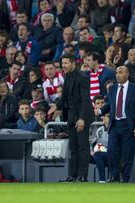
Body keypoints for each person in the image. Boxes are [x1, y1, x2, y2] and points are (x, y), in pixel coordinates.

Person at [96, 65, 135, 183]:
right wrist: (100, 111)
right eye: (117, 72)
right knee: (112, 151)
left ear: (127, 74)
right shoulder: (112, 88)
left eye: (121, 72)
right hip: (115, 125)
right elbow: (110, 104)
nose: (117, 74)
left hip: (128, 125)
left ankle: (125, 179)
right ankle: (114, 176)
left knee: (128, 154)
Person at [59, 53, 94, 182]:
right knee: (73, 148)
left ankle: (82, 176)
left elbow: (85, 100)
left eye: (66, 63)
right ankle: (72, 175)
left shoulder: (82, 77)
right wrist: (57, 106)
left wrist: (82, 119)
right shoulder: (66, 76)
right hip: (71, 116)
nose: (64, 66)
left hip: (82, 116)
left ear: (73, 63)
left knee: (83, 147)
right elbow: (65, 96)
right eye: (63, 64)